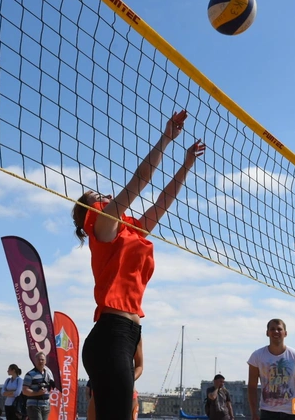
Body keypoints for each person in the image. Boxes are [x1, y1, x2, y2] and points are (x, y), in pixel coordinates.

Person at [72, 109, 206, 420]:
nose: (107, 194)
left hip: (125, 335)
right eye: (98, 195)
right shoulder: (101, 227)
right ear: (90, 210)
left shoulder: (128, 230)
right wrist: (166, 139)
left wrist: (186, 164)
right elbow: (140, 180)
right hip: (111, 335)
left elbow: (162, 203)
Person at [247, 319, 295, 420]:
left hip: (291, 412)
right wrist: (254, 413)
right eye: (272, 329)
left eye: (279, 329)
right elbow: (252, 387)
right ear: (267, 333)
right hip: (267, 411)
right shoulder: (257, 356)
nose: (276, 332)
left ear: (285, 333)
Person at [22, 352, 55, 420]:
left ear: (45, 361)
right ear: (35, 361)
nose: (41, 361)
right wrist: (37, 393)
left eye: (42, 360)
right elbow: (25, 391)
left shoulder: (48, 374)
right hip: (34, 406)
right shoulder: (30, 374)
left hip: (46, 405)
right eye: (39, 360)